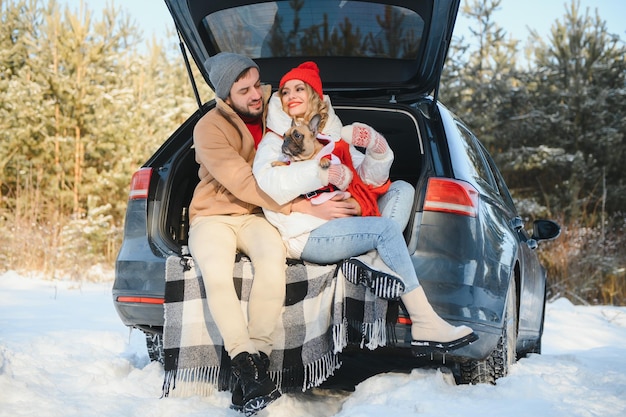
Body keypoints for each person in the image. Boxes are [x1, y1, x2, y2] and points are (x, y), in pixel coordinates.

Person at [253, 62, 478, 356]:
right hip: (306, 232)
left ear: (315, 96)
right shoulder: (275, 140)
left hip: (342, 223)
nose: (291, 96)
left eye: (299, 89)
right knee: (385, 230)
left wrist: (379, 150)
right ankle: (424, 321)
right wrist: (312, 200)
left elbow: (367, 179)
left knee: (402, 189)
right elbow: (268, 183)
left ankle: (373, 258)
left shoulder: (334, 138)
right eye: (284, 91)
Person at [187, 53, 357, 415]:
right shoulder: (209, 128)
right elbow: (245, 182)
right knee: (217, 273)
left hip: (257, 216)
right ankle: (244, 364)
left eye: (256, 86)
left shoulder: (272, 109)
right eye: (243, 90)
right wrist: (302, 208)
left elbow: (315, 125)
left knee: (271, 261)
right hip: (213, 216)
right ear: (225, 95)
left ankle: (258, 365)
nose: (255, 96)